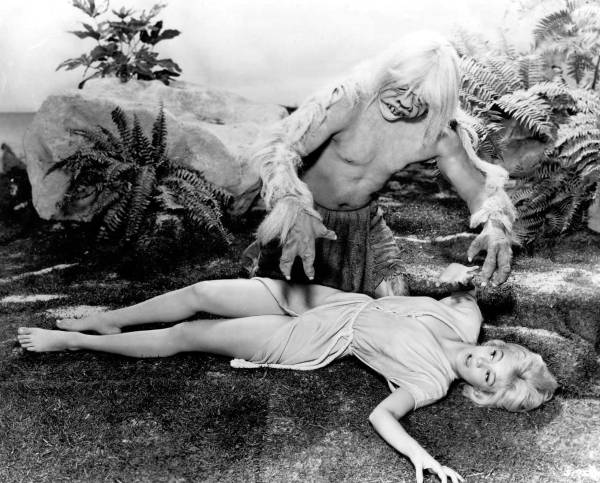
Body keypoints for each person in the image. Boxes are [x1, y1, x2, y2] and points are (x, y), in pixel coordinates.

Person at [17, 263, 557, 483]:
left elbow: (383, 416)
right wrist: (462, 275)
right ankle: (110, 319)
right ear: (500, 345)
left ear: (480, 394)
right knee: (203, 292)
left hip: (311, 338)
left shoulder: (431, 382)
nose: (482, 363)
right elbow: (466, 286)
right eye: (496, 356)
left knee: (188, 334)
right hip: (331, 300)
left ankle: (76, 340)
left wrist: (422, 456)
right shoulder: (466, 318)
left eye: (488, 378)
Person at [244, 30, 516, 297]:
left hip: (364, 226)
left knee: (396, 301)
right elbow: (279, 147)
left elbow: (479, 190)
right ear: (387, 73)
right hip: (306, 219)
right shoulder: (348, 101)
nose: (404, 103)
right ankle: (260, 254)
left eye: (421, 100)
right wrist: (293, 206)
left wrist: (496, 226)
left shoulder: (437, 134)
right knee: (279, 303)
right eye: (400, 88)